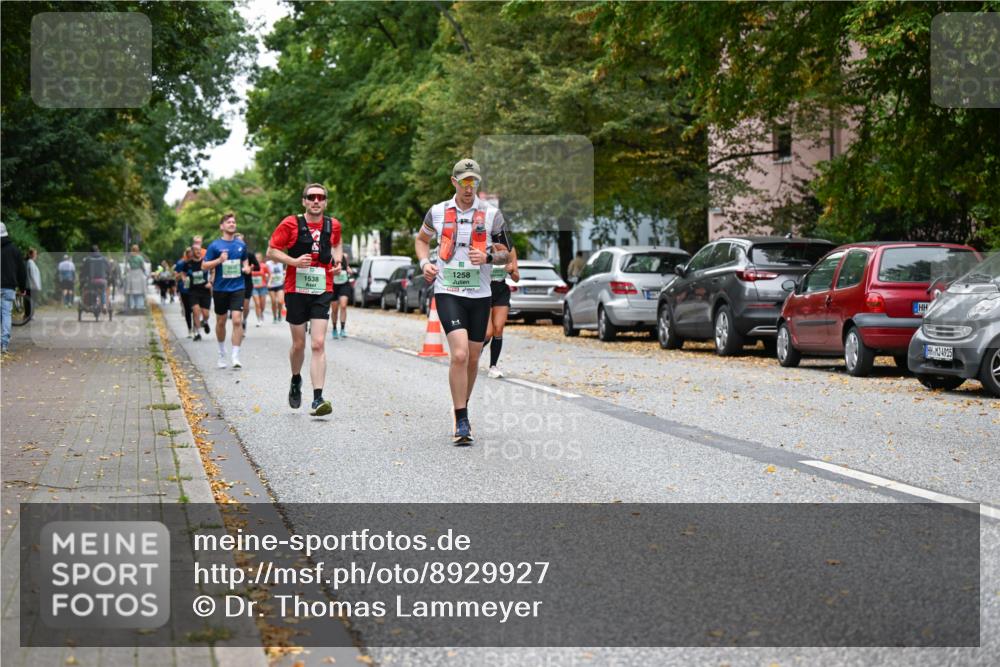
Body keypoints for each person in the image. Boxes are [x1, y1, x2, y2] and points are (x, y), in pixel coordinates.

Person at [414, 159, 510, 444]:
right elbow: (421, 240)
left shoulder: (492, 214)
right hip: (448, 291)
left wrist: (490, 257)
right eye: (465, 182)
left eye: (474, 182)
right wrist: (424, 263)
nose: (470, 188)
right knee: (458, 354)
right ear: (453, 182)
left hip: (480, 295)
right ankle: (462, 418)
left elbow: (507, 254)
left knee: (473, 358)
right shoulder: (438, 212)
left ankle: (461, 408)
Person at [266, 183, 342, 416]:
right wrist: (294, 261)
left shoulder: (333, 224)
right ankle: (295, 379)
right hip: (295, 290)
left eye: (321, 197)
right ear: (304, 201)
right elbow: (271, 251)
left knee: (318, 343)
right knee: (299, 344)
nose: (316, 201)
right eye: (311, 197)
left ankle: (318, 398)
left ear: (326, 202)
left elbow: (336, 244)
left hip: (322, 288)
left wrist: (337, 262)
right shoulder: (290, 223)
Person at [203, 213, 250, 368]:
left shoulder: (241, 245)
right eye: (228, 222)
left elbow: (245, 261)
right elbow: (204, 266)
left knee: (237, 320)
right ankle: (222, 353)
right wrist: (219, 260)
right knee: (221, 321)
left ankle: (235, 356)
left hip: (238, 287)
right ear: (222, 226)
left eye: (234, 222)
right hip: (220, 288)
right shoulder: (214, 246)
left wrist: (246, 267)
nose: (232, 224)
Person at [484, 244, 519, 378]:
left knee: (498, 329)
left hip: (501, 290)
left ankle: (493, 366)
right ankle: (475, 353)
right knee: (487, 333)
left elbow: (516, 277)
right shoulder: (483, 244)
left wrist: (511, 271)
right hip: (484, 288)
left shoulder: (510, 249)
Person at [1, 223, 28, 355]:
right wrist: (23, 288)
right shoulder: (14, 250)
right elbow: (22, 271)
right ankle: (4, 344)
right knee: (6, 314)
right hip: (8, 287)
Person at [187, 237, 211, 339]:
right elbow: (181, 274)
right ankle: (197, 332)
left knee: (206, 314)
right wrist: (184, 278)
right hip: (193, 291)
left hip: (205, 290)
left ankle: (204, 322)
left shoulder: (205, 262)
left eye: (199, 250)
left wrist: (211, 282)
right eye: (196, 250)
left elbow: (213, 272)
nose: (198, 252)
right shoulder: (187, 264)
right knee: (196, 311)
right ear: (192, 252)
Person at [236, 234, 261, 331]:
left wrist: (251, 268)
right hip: (234, 283)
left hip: (247, 282)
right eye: (237, 241)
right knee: (237, 306)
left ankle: (244, 320)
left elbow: (258, 266)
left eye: (241, 241)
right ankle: (237, 323)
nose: (240, 243)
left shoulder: (249, 254)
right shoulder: (230, 254)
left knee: (246, 305)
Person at [329, 251, 354, 338]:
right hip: (333, 285)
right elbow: (327, 271)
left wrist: (349, 270)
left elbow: (347, 267)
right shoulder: (329, 257)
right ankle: (334, 328)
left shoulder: (344, 256)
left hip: (344, 284)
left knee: (343, 306)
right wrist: (334, 273)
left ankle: (343, 329)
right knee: (334, 309)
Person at [81, 245, 110, 313]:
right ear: (98, 250)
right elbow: (108, 269)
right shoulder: (104, 258)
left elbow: (84, 270)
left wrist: (83, 277)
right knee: (103, 291)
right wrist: (108, 275)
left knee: (91, 290)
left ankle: (91, 304)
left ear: (90, 252)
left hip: (92, 280)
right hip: (102, 280)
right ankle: (104, 305)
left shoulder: (88, 259)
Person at [175, 248, 195, 337]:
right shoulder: (180, 263)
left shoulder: (196, 262)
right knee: (188, 310)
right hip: (184, 288)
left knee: (195, 309)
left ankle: (195, 328)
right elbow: (176, 276)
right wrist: (183, 274)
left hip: (194, 288)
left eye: (192, 255)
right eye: (190, 255)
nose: (191, 256)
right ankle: (189, 329)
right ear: (186, 255)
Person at [125, 244, 148, 312]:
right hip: (139, 274)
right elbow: (143, 267)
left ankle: (132, 305)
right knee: (140, 291)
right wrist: (145, 273)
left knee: (132, 291)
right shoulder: (140, 258)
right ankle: (139, 305)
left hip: (131, 274)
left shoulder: (129, 257)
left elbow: (127, 266)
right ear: (138, 250)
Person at [250, 252, 270, 327]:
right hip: (254, 288)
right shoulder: (251, 266)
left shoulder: (264, 266)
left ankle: (261, 314)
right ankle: (259, 320)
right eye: (256, 257)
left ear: (261, 259)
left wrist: (268, 282)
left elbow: (269, 275)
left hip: (263, 287)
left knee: (262, 305)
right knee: (257, 304)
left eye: (259, 258)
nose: (257, 259)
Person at [266, 256, 285, 322]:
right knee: (273, 301)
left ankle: (279, 313)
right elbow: (266, 273)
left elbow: (283, 273)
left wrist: (283, 278)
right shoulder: (268, 264)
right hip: (271, 285)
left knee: (280, 301)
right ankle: (274, 316)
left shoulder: (281, 264)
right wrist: (267, 282)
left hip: (279, 284)